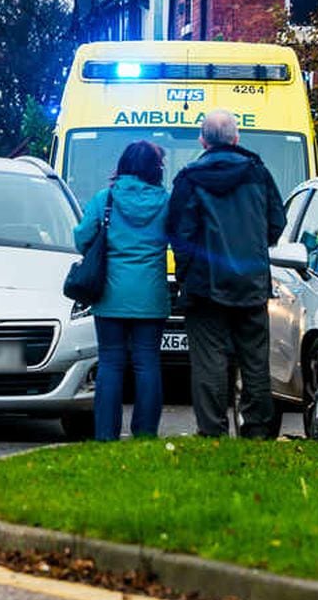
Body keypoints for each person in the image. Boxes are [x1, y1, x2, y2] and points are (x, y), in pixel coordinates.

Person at [166, 109, 286, 438]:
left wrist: (185, 276)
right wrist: (254, 248)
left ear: (202, 140)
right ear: (236, 138)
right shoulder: (258, 173)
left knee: (208, 360)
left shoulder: (189, 179)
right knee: (254, 359)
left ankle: (212, 429)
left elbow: (179, 233)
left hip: (205, 285)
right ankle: (258, 429)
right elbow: (277, 222)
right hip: (250, 281)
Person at [73, 140, 170, 441]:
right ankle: (145, 434)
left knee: (111, 363)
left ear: (123, 165)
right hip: (151, 295)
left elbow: (81, 238)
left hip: (110, 294)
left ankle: (105, 434)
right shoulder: (166, 201)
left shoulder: (106, 199)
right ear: (156, 168)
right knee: (147, 363)